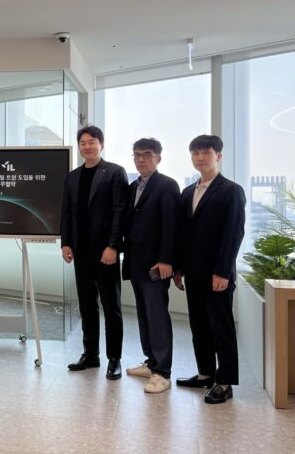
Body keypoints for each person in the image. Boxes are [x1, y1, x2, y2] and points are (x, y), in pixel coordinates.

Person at [174, 134, 246, 404]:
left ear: (219, 156)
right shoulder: (187, 192)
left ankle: (225, 381)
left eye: (206, 152)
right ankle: (206, 373)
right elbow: (184, 234)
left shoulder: (231, 190)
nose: (200, 157)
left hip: (218, 273)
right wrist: (179, 268)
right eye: (196, 153)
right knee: (199, 325)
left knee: (221, 328)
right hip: (193, 272)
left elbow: (233, 234)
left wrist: (223, 272)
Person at [60, 125, 128, 380]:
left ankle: (114, 358)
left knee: (111, 307)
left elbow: (120, 211)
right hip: (81, 252)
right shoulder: (73, 176)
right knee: (87, 306)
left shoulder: (115, 172)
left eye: (92, 142)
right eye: (83, 142)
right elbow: (66, 212)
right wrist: (66, 243)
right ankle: (91, 354)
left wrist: (113, 246)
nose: (87, 146)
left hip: (105, 252)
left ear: (102, 145)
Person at [121, 138, 180, 394]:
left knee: (157, 316)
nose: (140, 159)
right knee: (144, 314)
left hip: (156, 264)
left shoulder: (167, 185)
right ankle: (151, 362)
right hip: (135, 262)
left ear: (158, 158)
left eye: (146, 154)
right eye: (136, 154)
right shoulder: (133, 186)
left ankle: (162, 372)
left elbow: (172, 225)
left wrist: (167, 259)